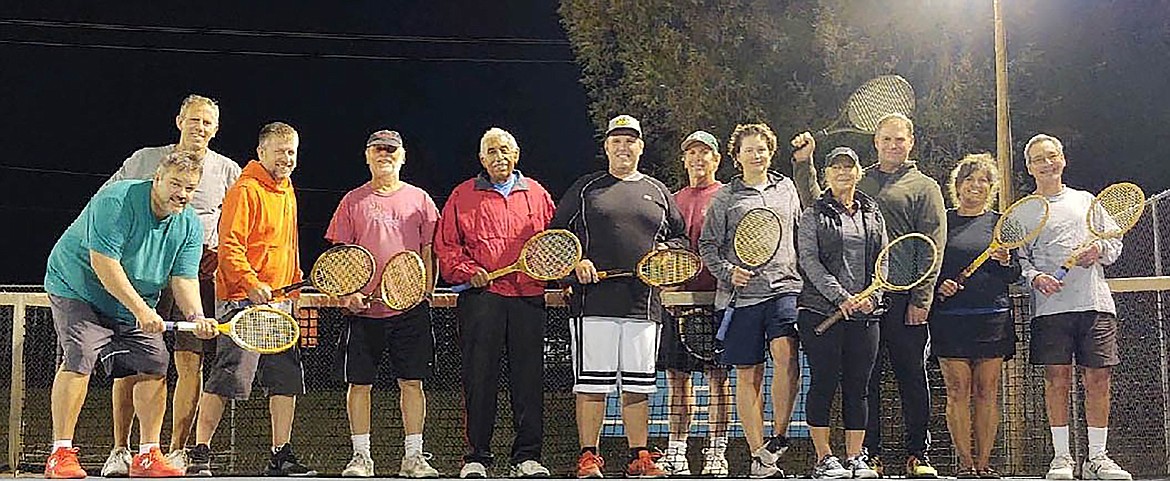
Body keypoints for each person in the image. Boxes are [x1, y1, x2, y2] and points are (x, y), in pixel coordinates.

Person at [42, 151, 218, 479]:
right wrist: (141, 310)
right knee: (80, 355)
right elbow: (104, 264)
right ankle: (60, 453)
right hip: (77, 286)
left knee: (154, 363)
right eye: (176, 184)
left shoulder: (190, 224)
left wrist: (196, 316)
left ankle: (149, 454)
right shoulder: (116, 201)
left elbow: (184, 277)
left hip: (134, 297)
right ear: (157, 180)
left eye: (190, 188)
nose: (182, 193)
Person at [792, 113, 946, 478]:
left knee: (912, 375)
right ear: (875, 143)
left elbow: (933, 245)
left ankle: (917, 454)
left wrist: (921, 299)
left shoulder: (924, 187)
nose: (894, 145)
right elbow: (818, 202)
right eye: (887, 139)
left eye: (900, 139)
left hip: (905, 300)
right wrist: (804, 164)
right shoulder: (862, 182)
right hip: (861, 305)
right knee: (866, 382)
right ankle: (867, 455)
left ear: (911, 142)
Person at [98, 94, 241, 476]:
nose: (200, 128)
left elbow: (237, 226)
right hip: (142, 277)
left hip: (193, 278)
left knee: (189, 363)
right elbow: (105, 202)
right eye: (194, 120)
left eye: (208, 123)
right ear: (179, 120)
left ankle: (175, 451)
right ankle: (120, 451)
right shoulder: (145, 159)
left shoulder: (229, 170)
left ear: (216, 128)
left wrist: (220, 253)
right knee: (132, 363)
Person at [551, 114, 687, 479]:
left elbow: (680, 241)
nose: (623, 147)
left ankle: (640, 457)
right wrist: (575, 262)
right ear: (606, 146)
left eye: (631, 141)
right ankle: (589, 457)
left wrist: (665, 258)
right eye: (617, 141)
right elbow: (555, 240)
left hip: (643, 305)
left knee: (637, 387)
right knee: (592, 386)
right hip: (591, 304)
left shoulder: (659, 192)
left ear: (640, 147)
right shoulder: (585, 188)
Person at [186, 122, 317, 477]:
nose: (287, 158)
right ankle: (200, 454)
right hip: (242, 301)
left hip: (281, 304)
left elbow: (287, 250)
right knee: (228, 376)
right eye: (279, 151)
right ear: (261, 152)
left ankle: (281, 455)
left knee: (285, 380)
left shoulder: (287, 190)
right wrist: (250, 282)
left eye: (292, 152)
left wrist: (294, 293)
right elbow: (229, 246)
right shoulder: (245, 189)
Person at [434, 127, 556, 479]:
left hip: (528, 297)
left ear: (515, 155)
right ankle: (477, 457)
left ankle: (527, 457)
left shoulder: (537, 194)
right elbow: (447, 246)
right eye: (491, 151)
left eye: (505, 150)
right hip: (481, 299)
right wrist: (467, 270)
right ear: (481, 159)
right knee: (479, 377)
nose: (498, 156)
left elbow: (554, 244)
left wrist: (552, 275)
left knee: (529, 379)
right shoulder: (462, 195)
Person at [327, 129, 442, 478]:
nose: (385, 155)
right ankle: (361, 458)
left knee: (412, 383)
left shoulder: (420, 200)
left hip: (410, 311)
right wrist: (348, 293)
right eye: (378, 150)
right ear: (367, 156)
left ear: (403, 157)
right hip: (364, 312)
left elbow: (429, 251)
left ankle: (414, 458)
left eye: (391, 150)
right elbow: (340, 256)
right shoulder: (352, 201)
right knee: (359, 384)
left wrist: (424, 290)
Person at [1018, 134, 1132, 481]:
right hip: (1050, 310)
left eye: (1052, 156)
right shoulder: (1024, 211)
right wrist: (1036, 278)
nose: (1047, 163)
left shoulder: (1086, 201)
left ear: (1063, 160)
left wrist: (1098, 252)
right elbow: (1021, 262)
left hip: (1095, 305)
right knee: (1057, 381)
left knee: (1098, 379)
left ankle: (1097, 458)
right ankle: (1062, 459)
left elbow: (1114, 243)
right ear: (1029, 168)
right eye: (1039, 159)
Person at [699, 123, 803, 478]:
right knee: (749, 375)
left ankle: (779, 436)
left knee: (787, 357)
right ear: (737, 156)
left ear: (770, 151)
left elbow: (800, 233)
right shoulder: (725, 197)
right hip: (741, 298)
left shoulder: (787, 188)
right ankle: (760, 456)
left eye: (762, 148)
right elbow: (708, 247)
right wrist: (729, 271)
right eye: (749, 149)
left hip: (784, 288)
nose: (756, 155)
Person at [795, 147, 885, 479]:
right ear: (827, 174)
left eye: (850, 167)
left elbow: (884, 259)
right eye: (836, 167)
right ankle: (824, 458)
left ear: (859, 172)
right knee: (824, 383)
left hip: (866, 316)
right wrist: (842, 298)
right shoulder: (812, 214)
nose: (843, 172)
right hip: (820, 314)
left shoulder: (872, 212)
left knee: (859, 387)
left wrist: (873, 297)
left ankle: (855, 458)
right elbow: (809, 261)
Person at [932, 154, 1020, 478]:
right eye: (969, 179)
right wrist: (941, 286)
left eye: (983, 179)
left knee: (987, 392)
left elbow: (1014, 275)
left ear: (991, 187)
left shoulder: (1002, 224)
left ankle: (984, 465)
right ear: (957, 186)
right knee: (957, 391)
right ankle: (966, 465)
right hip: (950, 319)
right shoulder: (942, 221)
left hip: (992, 319)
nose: (976, 185)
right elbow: (930, 266)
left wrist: (1005, 258)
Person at [655, 130, 732, 477]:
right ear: (684, 159)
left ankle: (717, 453)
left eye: (706, 153)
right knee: (677, 381)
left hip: (718, 304)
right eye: (692, 153)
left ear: (717, 159)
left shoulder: (729, 197)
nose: (698, 159)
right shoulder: (671, 201)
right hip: (678, 304)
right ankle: (677, 451)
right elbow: (661, 251)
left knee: (719, 381)